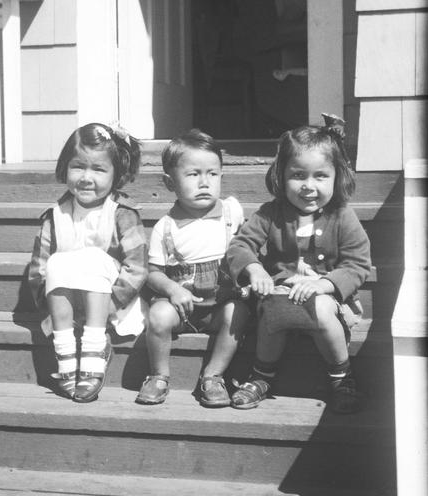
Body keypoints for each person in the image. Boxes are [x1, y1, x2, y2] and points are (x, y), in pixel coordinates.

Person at [227, 114, 371, 414]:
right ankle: (262, 375)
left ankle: (342, 377)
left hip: (327, 299)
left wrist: (323, 284)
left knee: (318, 309)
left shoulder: (342, 216)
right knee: (270, 308)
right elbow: (240, 245)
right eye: (298, 175)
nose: (308, 186)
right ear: (281, 175)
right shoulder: (270, 214)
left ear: (337, 177)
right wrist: (255, 269)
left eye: (320, 176)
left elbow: (357, 264)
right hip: (280, 295)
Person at [29, 122, 147, 403]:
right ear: (64, 167)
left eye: (98, 169)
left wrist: (111, 304)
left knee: (93, 258)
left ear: (117, 174)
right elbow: (39, 269)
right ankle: (66, 358)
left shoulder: (122, 214)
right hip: (67, 308)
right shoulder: (54, 216)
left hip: (111, 304)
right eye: (78, 166)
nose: (86, 177)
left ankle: (95, 352)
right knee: (57, 262)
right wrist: (53, 306)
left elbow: (137, 267)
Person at [137, 129, 250, 408]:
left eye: (212, 174)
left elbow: (249, 247)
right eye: (192, 174)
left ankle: (213, 376)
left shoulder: (231, 212)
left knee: (238, 313)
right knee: (158, 315)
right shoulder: (166, 226)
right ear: (170, 182)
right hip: (182, 308)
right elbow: (152, 272)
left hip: (221, 303)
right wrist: (172, 290)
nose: (204, 182)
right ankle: (158, 375)